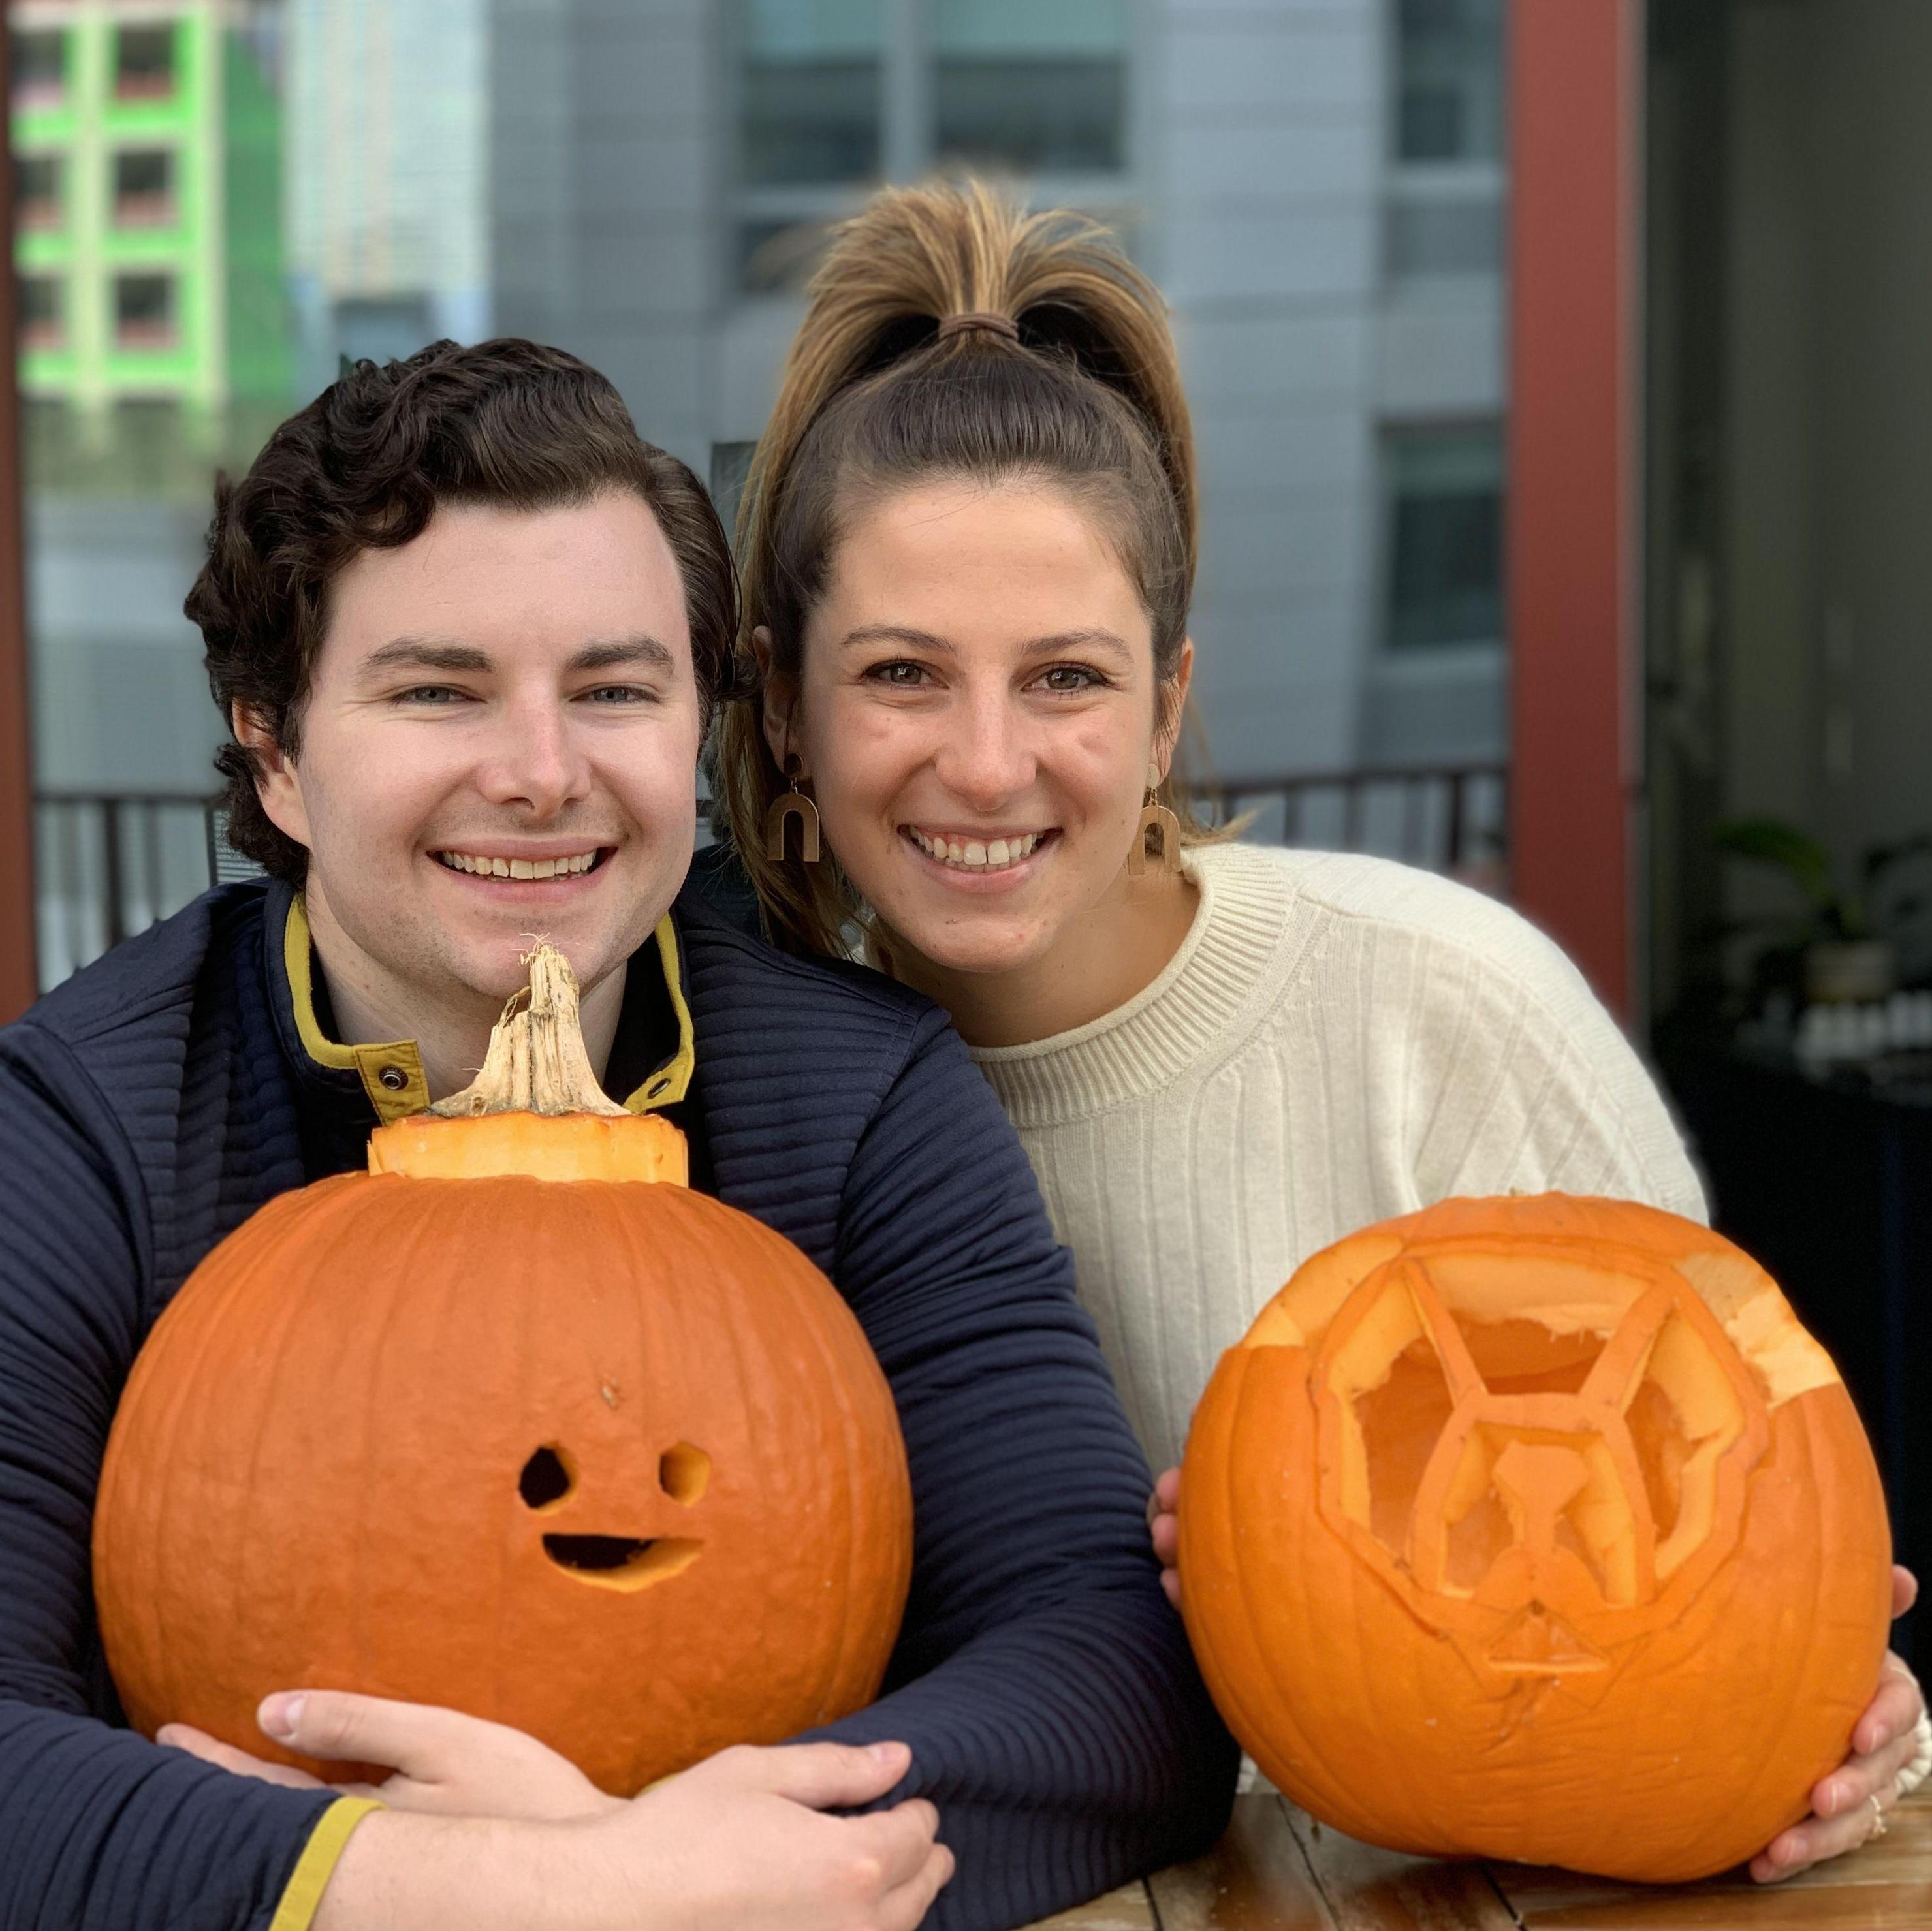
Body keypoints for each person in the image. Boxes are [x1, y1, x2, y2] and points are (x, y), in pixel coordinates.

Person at [712, 179, 1932, 1883]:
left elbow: (1719, 1520)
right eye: (903, 673)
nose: (987, 763)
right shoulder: (747, 1094)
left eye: (1066, 676)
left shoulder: (1442, 1006)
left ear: (1167, 708)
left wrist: (1835, 1710)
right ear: (782, 701)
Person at [0, 339, 1236, 1931]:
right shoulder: (85, 1121)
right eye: (439, 690)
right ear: (277, 751)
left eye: (614, 690)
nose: (540, 775)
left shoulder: (852, 1098)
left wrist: (740, 1877)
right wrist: (522, 1891)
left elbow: (1111, 1670)